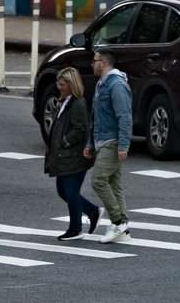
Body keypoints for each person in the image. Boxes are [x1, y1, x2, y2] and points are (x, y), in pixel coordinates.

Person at [45, 67, 101, 240]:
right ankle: (92, 211)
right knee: (63, 191)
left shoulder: (78, 103)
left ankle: (75, 229)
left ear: (71, 85)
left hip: (74, 156)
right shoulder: (65, 101)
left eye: (62, 84)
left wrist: (64, 141)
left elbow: (81, 129)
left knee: (70, 191)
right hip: (64, 156)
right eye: (58, 83)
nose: (58, 87)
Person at [84, 49, 133, 243]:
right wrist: (90, 143)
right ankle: (123, 231)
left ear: (103, 63)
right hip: (102, 140)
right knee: (114, 185)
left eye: (94, 61)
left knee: (98, 180)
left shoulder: (117, 85)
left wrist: (123, 145)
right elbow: (95, 117)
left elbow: (125, 117)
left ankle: (118, 221)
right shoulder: (101, 84)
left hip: (112, 142)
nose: (92, 64)